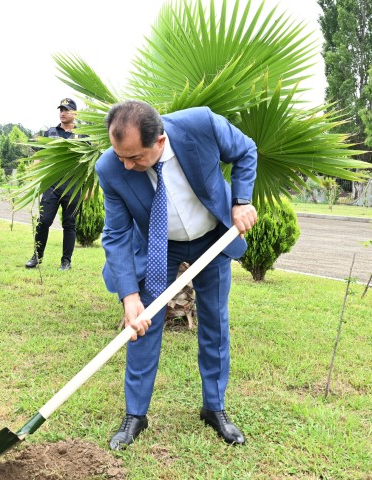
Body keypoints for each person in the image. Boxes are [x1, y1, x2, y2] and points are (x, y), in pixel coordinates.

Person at [95, 100, 258, 450]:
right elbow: (117, 234)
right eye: (120, 155)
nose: (126, 164)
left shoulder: (201, 125)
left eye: (134, 158)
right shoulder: (110, 168)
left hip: (210, 239)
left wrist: (242, 200)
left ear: (159, 141)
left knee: (215, 323)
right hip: (158, 247)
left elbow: (245, 150)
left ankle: (214, 408)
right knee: (143, 324)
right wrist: (129, 296)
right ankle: (135, 414)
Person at [25, 98, 84, 271]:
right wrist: (35, 176)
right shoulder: (50, 133)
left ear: (75, 113)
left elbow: (88, 162)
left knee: (69, 223)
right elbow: (40, 156)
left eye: (66, 109)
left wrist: (88, 187)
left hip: (73, 184)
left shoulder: (83, 135)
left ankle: (66, 261)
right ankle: (37, 256)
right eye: (61, 109)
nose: (63, 112)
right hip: (51, 184)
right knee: (44, 221)